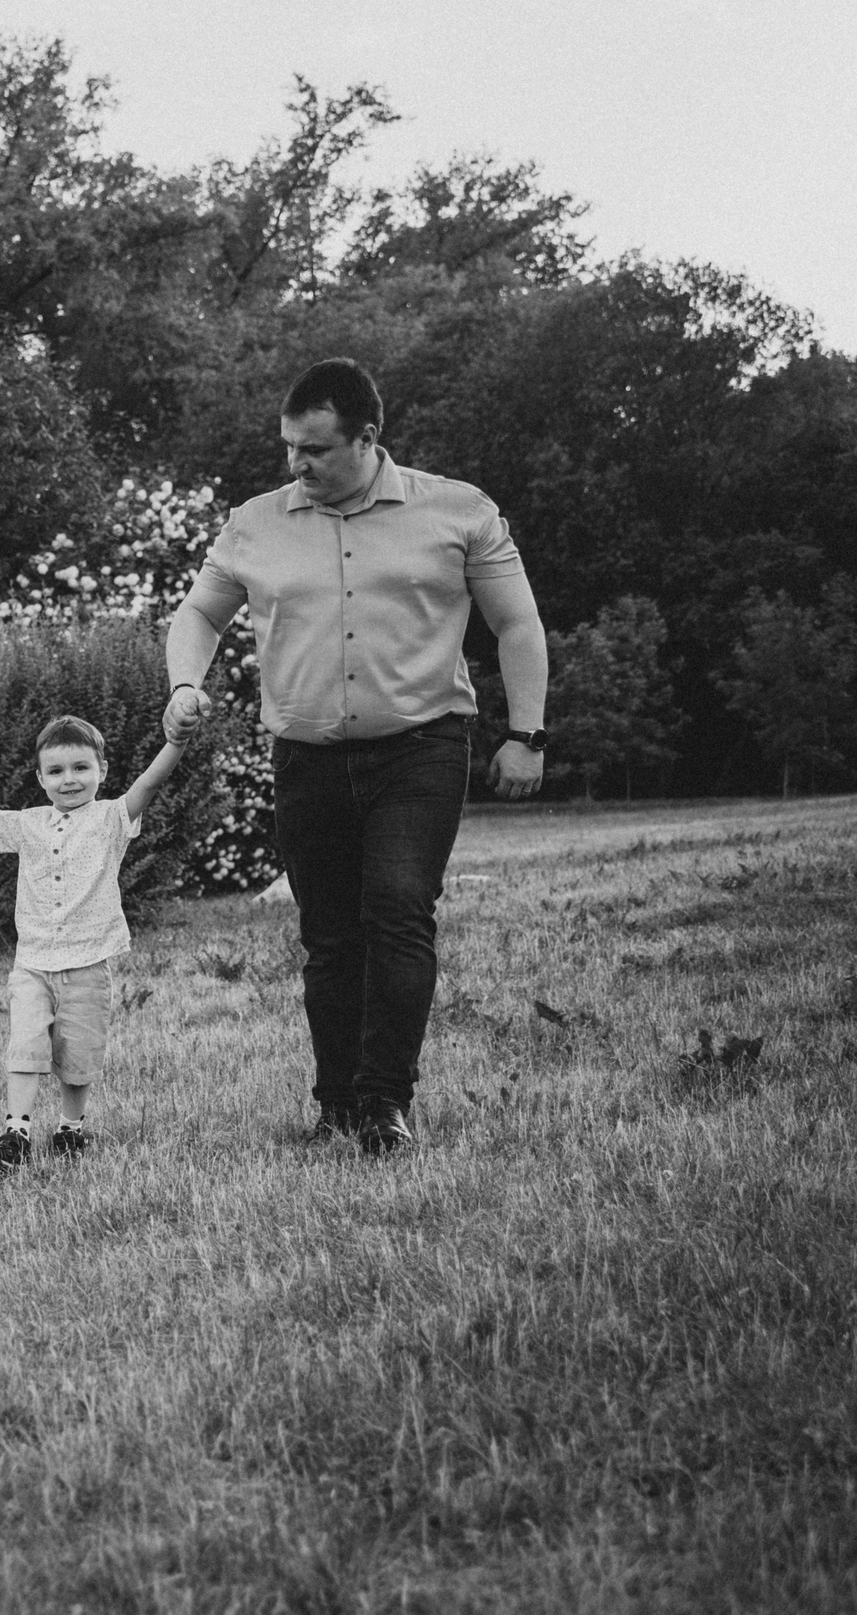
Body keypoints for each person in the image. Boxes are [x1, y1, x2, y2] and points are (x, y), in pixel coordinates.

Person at [162, 357, 548, 1154]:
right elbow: (198, 612)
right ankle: (335, 1104)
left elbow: (518, 624)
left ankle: (385, 1104)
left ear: (367, 439)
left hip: (421, 748)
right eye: (289, 448)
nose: (295, 466)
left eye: (313, 449)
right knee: (330, 936)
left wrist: (526, 733)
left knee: (400, 909)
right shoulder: (255, 522)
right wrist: (183, 683)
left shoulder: (458, 511)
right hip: (305, 757)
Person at [0, 715, 186, 1177]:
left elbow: (151, 783)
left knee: (79, 1058)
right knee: (25, 1045)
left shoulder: (113, 817)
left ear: (103, 771)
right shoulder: (28, 824)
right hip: (33, 963)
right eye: (56, 771)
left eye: (81, 768)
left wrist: (175, 741)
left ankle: (70, 1129)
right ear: (39, 778)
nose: (69, 779)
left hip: (89, 964)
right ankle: (15, 1134)